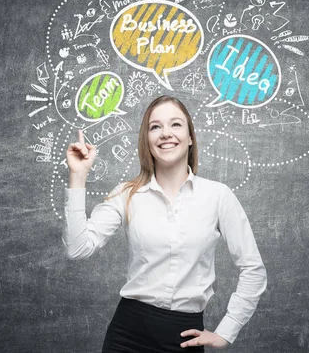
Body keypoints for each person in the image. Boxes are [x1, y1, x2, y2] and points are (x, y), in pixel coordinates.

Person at [63, 95, 267, 352]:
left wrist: (227, 330)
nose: (165, 134)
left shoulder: (218, 196)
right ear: (146, 141)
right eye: (155, 127)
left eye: (176, 125)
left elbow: (253, 269)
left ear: (190, 137)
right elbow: (78, 248)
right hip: (126, 336)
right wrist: (78, 175)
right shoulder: (127, 194)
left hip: (184, 338)